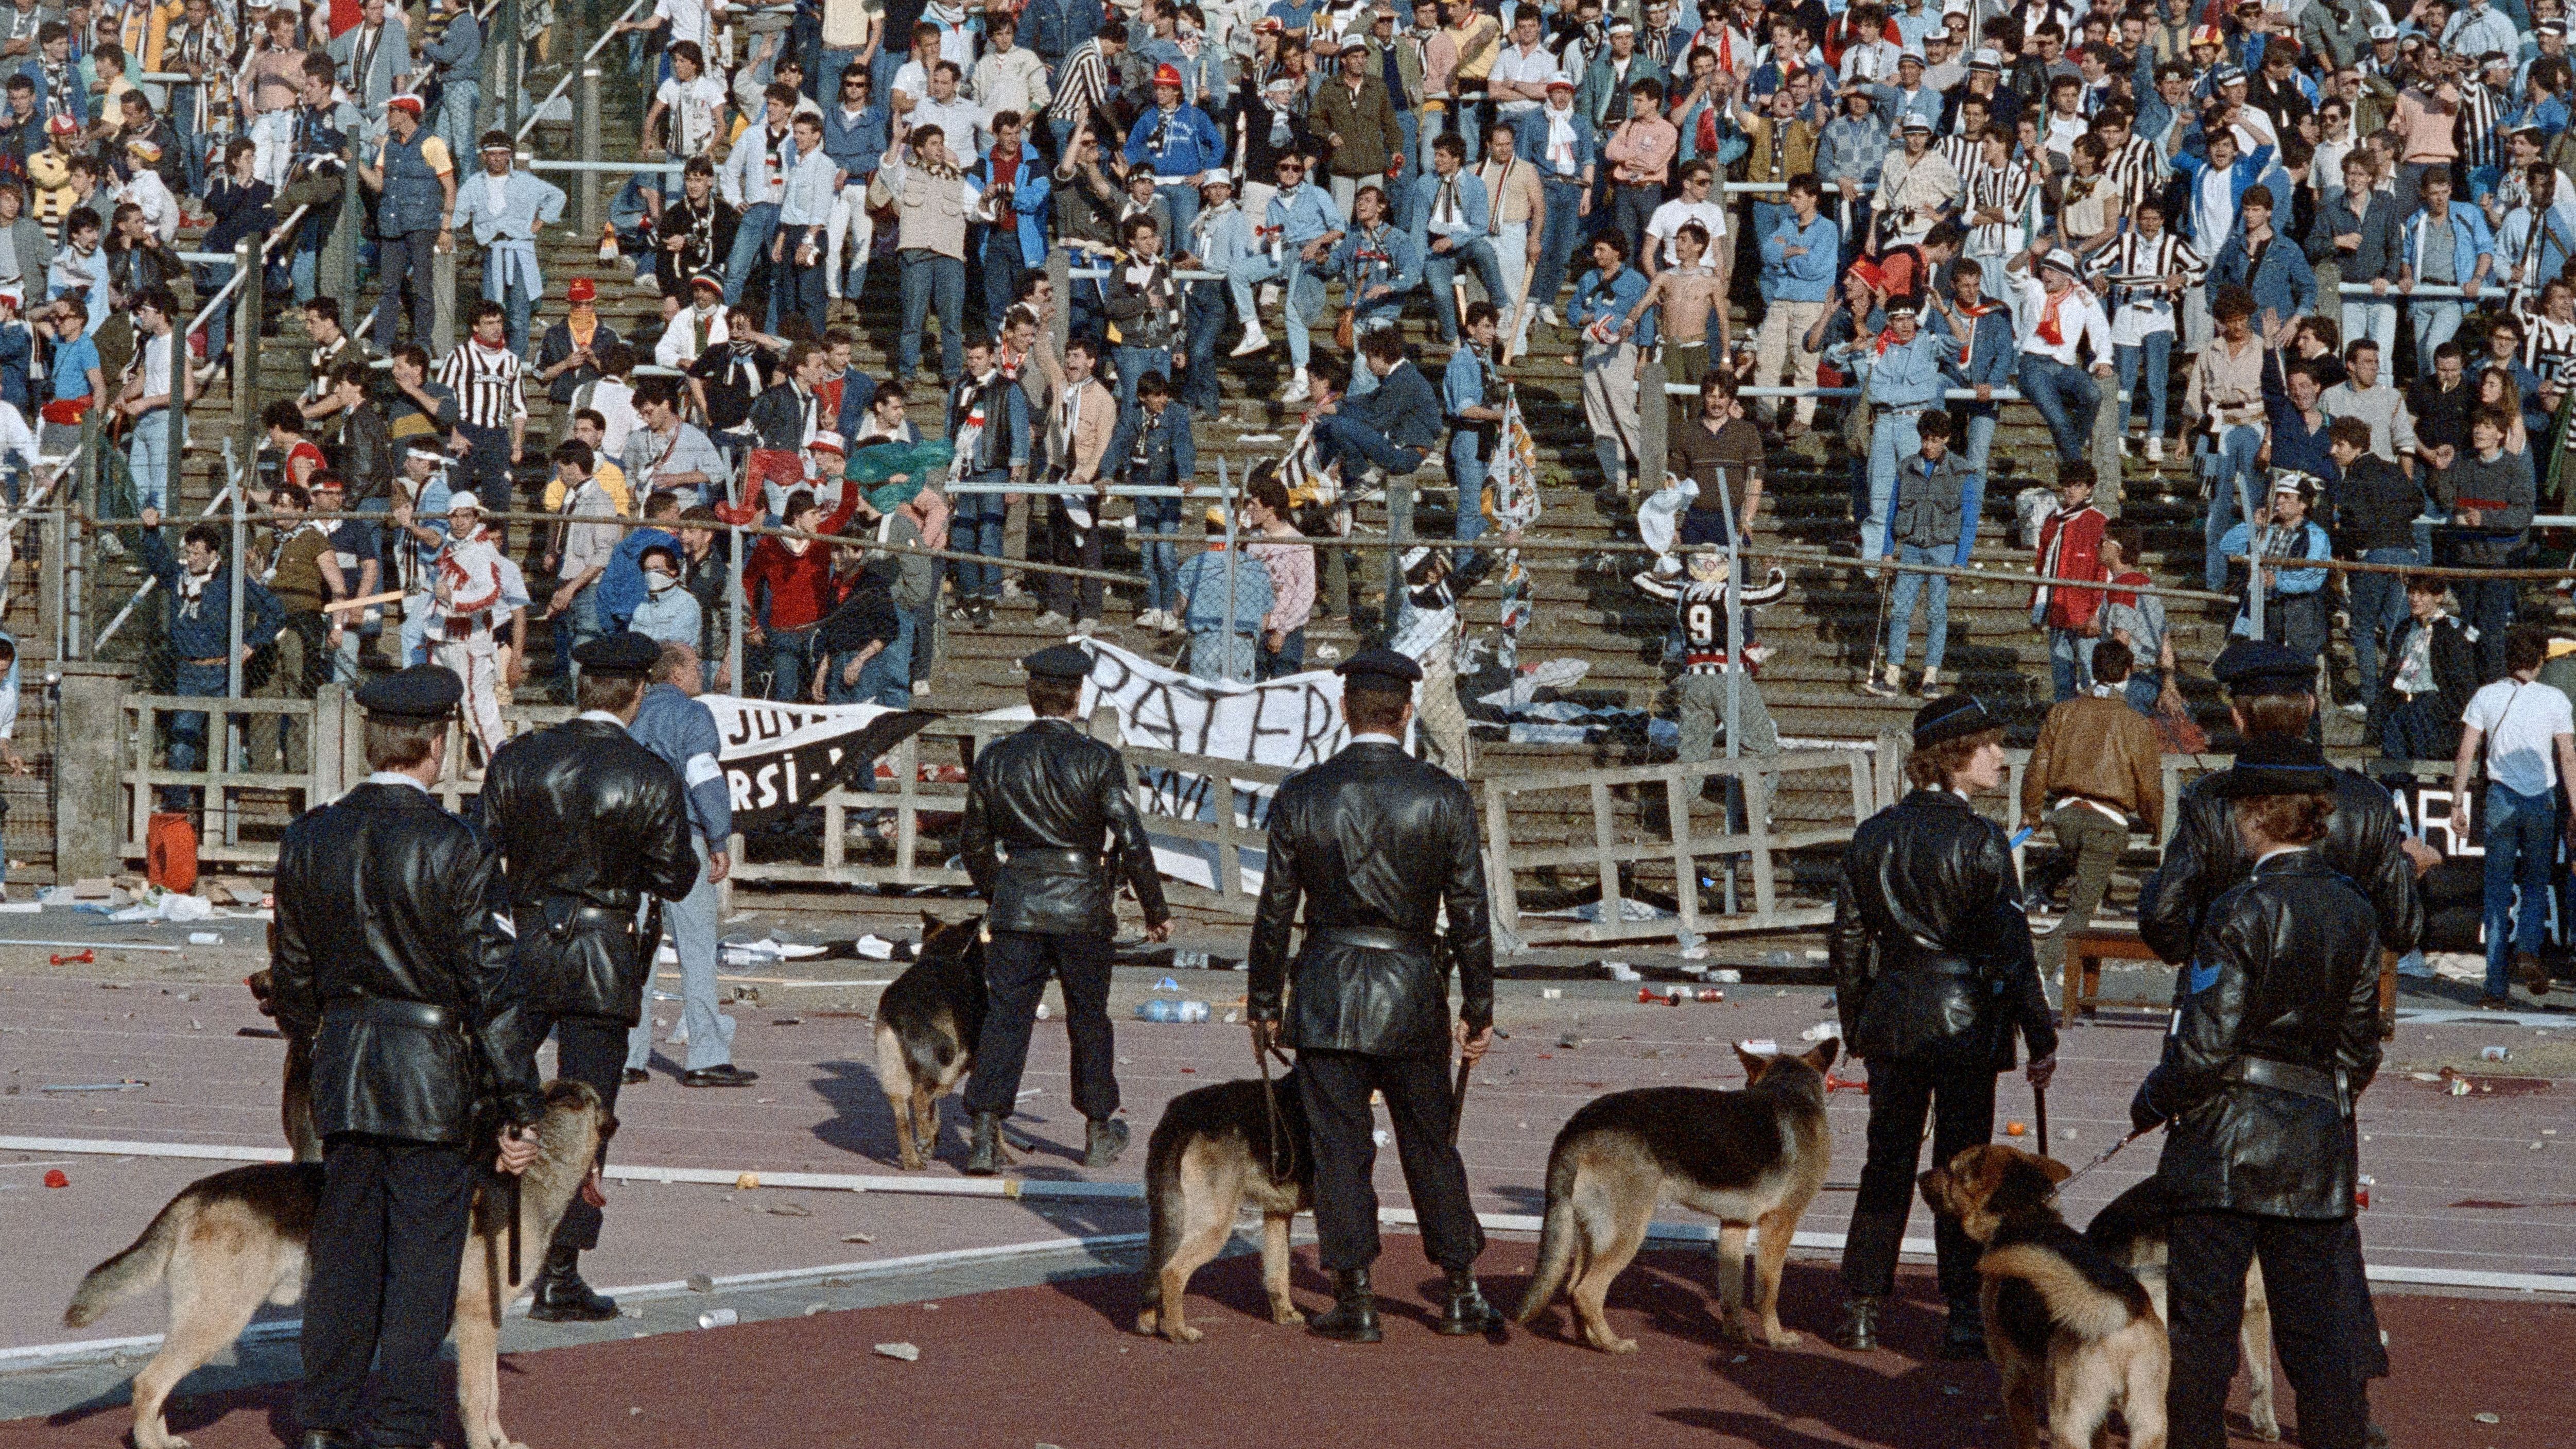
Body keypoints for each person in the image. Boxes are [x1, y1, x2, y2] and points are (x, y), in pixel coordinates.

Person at [268, 664, 543, 1449]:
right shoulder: (455, 844)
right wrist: (518, 1104)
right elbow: (493, 987)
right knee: (422, 1265)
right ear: (436, 741)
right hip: (431, 1072)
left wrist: (319, 1046)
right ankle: (399, 1421)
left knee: (346, 1252)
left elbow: (292, 976)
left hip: (345, 1064)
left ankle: (322, 1415)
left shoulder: (310, 834)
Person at [2131, 736, 2381, 1449]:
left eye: (2243, 809)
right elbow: (2359, 1045)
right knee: (2318, 1340)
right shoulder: (2354, 909)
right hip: (2312, 1138)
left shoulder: (2238, 909)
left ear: (2260, 815)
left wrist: (2152, 1100)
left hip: (2223, 1140)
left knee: (2201, 1337)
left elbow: (2204, 1043)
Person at [1247, 647, 1502, 1343]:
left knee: (1339, 1151)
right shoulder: (1441, 794)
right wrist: (1478, 1007)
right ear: (1406, 711)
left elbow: (1273, 912)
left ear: (1343, 709)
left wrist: (1263, 999)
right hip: (1413, 989)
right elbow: (1471, 913)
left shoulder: (1301, 793)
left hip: (1328, 988)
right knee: (1430, 1145)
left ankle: (1354, 1294)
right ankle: (1458, 1288)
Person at [1828, 693, 2057, 1358]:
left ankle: (1862, 1304)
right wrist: (2038, 1034)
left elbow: (1845, 942)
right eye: (1987, 745)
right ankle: (1961, 1309)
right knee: (1964, 1170)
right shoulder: (1980, 839)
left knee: (1886, 1162)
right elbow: (2012, 950)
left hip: (1894, 1015)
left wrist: (1857, 1024)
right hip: (1964, 1023)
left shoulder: (1873, 833)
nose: (1999, 757)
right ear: (1953, 756)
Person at [480, 631, 698, 1322]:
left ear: (582, 688)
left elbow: (481, 856)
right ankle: (561, 1269)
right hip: (604, 945)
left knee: (493, 1085)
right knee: (586, 1113)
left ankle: (478, 1234)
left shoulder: (519, 758)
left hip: (525, 934)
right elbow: (675, 874)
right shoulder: (648, 773)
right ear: (637, 692)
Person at [958, 644, 1172, 1175]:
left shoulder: (997, 757)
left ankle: (984, 1131)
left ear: (1030, 695)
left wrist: (1000, 891)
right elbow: (1131, 836)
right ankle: (1098, 1130)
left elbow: (974, 843)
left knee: (1005, 1018)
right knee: (1089, 1020)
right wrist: (1154, 908)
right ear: (1078, 696)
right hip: (1081, 904)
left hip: (1019, 903)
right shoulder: (1098, 759)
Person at [623, 640, 749, 1089]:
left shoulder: (631, 714)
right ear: (676, 673)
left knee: (638, 949)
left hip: (633, 840)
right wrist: (719, 836)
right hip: (682, 837)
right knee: (696, 945)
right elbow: (703, 778)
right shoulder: (692, 716)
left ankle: (629, 1056)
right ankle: (706, 1056)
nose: (702, 671)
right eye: (695, 665)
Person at [2018, 636, 2164, 978]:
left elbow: (2037, 766)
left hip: (2065, 815)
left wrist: (2032, 811)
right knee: (2081, 910)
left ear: (2092, 669)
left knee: (2081, 867)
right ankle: (2038, 973)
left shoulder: (2062, 711)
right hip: (2106, 822)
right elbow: (2149, 786)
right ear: (2128, 672)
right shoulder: (2137, 724)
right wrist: (2155, 825)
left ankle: (2043, 884)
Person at [2452, 625, 2576, 1007]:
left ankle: (2493, 988)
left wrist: (2457, 802)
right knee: (2537, 881)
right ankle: (2527, 948)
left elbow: (2465, 752)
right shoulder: (2555, 698)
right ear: (2539, 661)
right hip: (2541, 798)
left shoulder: (2485, 695)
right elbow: (2567, 757)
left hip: (2500, 796)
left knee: (2496, 890)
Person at [133, 505, 283, 813]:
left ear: (214, 554)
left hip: (222, 671)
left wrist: (252, 643)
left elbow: (275, 612)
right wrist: (151, 531)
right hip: (188, 670)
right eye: (189, 552)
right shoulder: (179, 577)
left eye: (199, 553)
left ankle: (225, 809)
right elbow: (158, 561)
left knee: (225, 742)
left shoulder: (230, 580)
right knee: (181, 742)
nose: (192, 559)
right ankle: (176, 809)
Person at [1872, 407, 1967, 697]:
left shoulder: (1963, 470)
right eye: (1925, 439)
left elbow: (1970, 519)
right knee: (1900, 610)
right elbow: (1892, 510)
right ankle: (1892, 676)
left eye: (1935, 440)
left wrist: (1960, 560)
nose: (1928, 445)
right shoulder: (1906, 467)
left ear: (1947, 440)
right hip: (1912, 548)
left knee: (1937, 613)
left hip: (1943, 550)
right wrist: (1888, 550)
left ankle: (1930, 677)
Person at [451, 132, 564, 358]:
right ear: (484, 157)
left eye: (502, 154)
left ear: (509, 156)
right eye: (492, 155)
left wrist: (540, 221)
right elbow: (459, 214)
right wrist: (446, 230)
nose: (497, 160)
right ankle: (490, 357)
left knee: (519, 313)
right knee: (491, 309)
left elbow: (558, 196)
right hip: (493, 250)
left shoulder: (525, 181)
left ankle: (517, 361)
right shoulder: (474, 184)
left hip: (520, 249)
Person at [357, 94, 453, 353]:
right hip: (392, 224)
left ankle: (422, 341)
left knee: (423, 286)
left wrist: (446, 227)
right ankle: (383, 343)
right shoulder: (389, 144)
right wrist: (357, 164)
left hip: (423, 225)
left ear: (406, 113)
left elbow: (449, 187)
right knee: (389, 288)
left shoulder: (432, 144)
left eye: (391, 111)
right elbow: (378, 184)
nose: (388, 117)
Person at [2003, 245, 2114, 465]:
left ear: (2067, 276)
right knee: (2059, 420)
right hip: (2033, 364)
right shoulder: (2035, 288)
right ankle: (2076, 471)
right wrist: (2030, 253)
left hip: (2064, 367)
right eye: (2044, 269)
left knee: (2093, 395)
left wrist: (2103, 359)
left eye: (2053, 271)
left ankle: (2070, 457)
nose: (2046, 275)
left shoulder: (2081, 295)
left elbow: (2099, 327)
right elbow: (2011, 271)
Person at [2033, 461, 2106, 701]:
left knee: (2091, 678)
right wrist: (2038, 608)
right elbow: (2042, 567)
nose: (2070, 491)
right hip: (2057, 613)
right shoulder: (2053, 521)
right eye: (2066, 485)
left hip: (2085, 617)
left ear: (2089, 489)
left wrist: (2096, 613)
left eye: (2077, 485)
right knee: (2062, 682)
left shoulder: (2099, 522)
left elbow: (2103, 573)